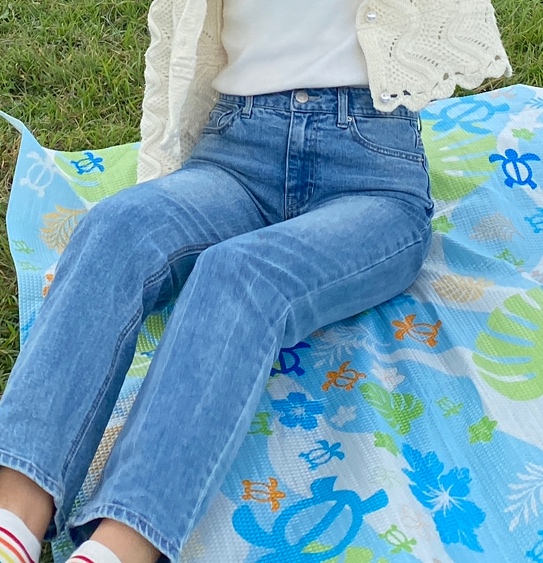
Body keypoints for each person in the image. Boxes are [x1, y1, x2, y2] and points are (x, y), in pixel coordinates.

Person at [0, 0, 511, 562]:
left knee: (239, 273)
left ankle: (122, 546)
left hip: (372, 174)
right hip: (237, 153)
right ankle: (13, 514)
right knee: (118, 228)